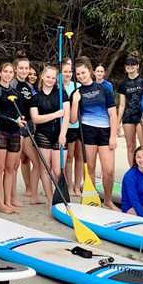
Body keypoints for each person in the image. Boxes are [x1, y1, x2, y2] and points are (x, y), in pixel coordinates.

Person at [72, 57, 117, 208]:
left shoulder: (105, 89)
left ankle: (108, 200)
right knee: (89, 168)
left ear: (90, 71)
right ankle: (90, 198)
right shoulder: (77, 92)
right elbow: (73, 119)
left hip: (105, 132)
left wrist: (113, 136)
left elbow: (113, 114)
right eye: (78, 74)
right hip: (87, 132)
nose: (81, 76)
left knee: (109, 170)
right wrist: (75, 101)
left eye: (83, 72)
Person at [29, 66, 68, 205]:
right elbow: (35, 119)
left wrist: (63, 134)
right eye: (48, 77)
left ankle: (61, 198)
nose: (50, 80)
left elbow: (67, 115)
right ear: (42, 77)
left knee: (58, 171)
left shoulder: (62, 94)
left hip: (60, 135)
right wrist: (55, 115)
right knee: (45, 169)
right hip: (43, 135)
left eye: (53, 77)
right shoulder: (35, 97)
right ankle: (51, 200)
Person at [0, 62, 23, 214]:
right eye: (5, 71)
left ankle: (8, 201)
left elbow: (19, 112)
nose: (8, 74)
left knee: (10, 169)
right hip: (0, 131)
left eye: (10, 72)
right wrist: (12, 120)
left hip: (15, 132)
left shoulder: (16, 92)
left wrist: (20, 119)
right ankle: (1, 203)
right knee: (0, 168)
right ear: (0, 73)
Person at [15, 55, 40, 204]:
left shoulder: (29, 87)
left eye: (26, 68)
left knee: (34, 162)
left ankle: (32, 192)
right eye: (22, 68)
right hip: (18, 127)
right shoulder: (12, 83)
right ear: (16, 68)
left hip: (29, 126)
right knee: (17, 163)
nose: (24, 71)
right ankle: (27, 191)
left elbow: (33, 108)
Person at [116, 54, 143, 166]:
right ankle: (133, 169)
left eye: (133, 64)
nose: (130, 66)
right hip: (128, 117)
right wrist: (118, 122)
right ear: (125, 67)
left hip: (141, 116)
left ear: (137, 66)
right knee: (130, 146)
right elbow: (122, 105)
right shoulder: (123, 84)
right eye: (128, 64)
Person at [61, 58, 82, 195]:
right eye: (65, 71)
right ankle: (69, 186)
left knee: (79, 157)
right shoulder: (58, 86)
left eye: (70, 71)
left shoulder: (78, 85)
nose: (68, 74)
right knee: (69, 157)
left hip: (80, 125)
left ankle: (77, 185)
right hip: (67, 126)